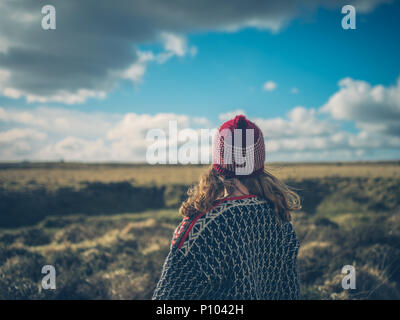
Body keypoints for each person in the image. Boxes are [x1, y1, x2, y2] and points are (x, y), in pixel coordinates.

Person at [152, 115, 301, 300]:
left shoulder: (202, 228)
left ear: (218, 163)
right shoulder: (280, 216)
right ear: (258, 162)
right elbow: (290, 292)